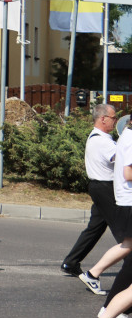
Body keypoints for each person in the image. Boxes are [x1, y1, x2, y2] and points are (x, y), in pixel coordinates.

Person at [80, 120, 132, 318]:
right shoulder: (128, 139)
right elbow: (128, 172)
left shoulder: (124, 137)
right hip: (127, 202)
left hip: (123, 201)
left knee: (126, 247)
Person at [62, 104, 123, 277]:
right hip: (106, 189)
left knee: (94, 228)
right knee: (123, 230)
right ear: (103, 119)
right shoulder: (102, 140)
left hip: (100, 187)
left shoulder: (101, 137)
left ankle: (71, 262)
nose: (116, 121)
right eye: (113, 118)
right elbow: (122, 159)